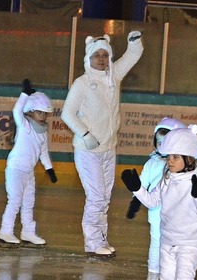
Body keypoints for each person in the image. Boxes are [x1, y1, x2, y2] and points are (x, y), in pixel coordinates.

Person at [121, 124, 197, 280]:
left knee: (183, 279)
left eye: (175, 157)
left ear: (188, 159)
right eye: (169, 156)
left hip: (189, 241)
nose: (169, 161)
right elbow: (154, 201)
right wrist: (137, 188)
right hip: (168, 238)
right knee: (166, 278)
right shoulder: (167, 178)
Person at [60, 31, 144, 257]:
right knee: (96, 196)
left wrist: (134, 42)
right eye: (96, 55)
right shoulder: (82, 83)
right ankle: (93, 243)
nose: (101, 59)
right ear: (88, 58)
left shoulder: (113, 76)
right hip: (88, 150)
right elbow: (67, 113)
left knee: (104, 197)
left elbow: (132, 57)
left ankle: (101, 239)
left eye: (105, 55)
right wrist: (85, 134)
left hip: (109, 148)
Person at [126, 117, 197, 280]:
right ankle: (153, 272)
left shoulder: (188, 165)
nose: (162, 147)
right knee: (157, 242)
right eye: (158, 142)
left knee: (178, 248)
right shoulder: (152, 164)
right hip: (157, 212)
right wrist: (135, 201)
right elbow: (142, 185)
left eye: (165, 142)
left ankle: (176, 274)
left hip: (182, 217)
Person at [0, 79, 57, 248]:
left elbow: (43, 152)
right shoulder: (25, 126)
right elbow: (16, 110)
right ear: (30, 112)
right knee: (15, 200)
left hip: (29, 172)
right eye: (40, 113)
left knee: (29, 202)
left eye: (45, 113)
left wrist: (49, 169)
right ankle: (6, 231)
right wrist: (24, 93)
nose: (43, 116)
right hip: (15, 170)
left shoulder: (42, 132)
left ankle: (28, 232)